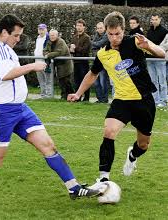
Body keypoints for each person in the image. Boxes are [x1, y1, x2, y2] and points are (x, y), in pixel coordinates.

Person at [0, 14, 103, 202]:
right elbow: (6, 73)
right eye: (16, 35)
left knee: (48, 145)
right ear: (3, 32)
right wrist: (33, 66)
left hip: (20, 108)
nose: (18, 40)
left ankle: (73, 188)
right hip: (1, 110)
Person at [68, 11, 165, 183]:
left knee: (143, 145)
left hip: (143, 101)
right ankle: (103, 179)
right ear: (106, 31)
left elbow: (161, 53)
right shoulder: (102, 54)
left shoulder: (136, 41)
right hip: (121, 100)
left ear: (123, 30)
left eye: (118, 34)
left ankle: (132, 155)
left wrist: (148, 46)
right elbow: (92, 74)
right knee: (109, 131)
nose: (114, 38)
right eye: (110, 34)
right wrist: (78, 93)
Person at [44, 29, 74, 100]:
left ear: (57, 35)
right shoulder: (49, 42)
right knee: (61, 81)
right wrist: (47, 53)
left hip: (66, 65)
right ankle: (64, 96)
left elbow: (59, 53)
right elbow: (45, 50)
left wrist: (48, 55)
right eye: (51, 35)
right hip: (59, 65)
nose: (52, 37)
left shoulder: (61, 42)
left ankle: (72, 96)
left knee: (67, 82)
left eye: (53, 35)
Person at [146, 14, 168, 107]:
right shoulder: (149, 31)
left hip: (160, 59)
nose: (154, 21)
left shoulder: (164, 31)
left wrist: (155, 49)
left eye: (156, 19)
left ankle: (163, 100)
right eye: (152, 19)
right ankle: (155, 100)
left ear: (160, 20)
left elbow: (165, 45)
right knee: (153, 80)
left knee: (162, 81)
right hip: (150, 59)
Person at [70, 19, 91, 101]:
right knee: (77, 80)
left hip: (83, 62)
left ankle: (86, 98)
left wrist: (75, 48)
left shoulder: (87, 38)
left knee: (85, 79)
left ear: (84, 27)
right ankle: (77, 97)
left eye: (80, 26)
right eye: (77, 26)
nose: (78, 27)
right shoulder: (74, 37)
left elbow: (85, 50)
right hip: (76, 61)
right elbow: (72, 47)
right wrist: (71, 48)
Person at [91, 22, 109, 103]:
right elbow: (94, 45)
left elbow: (100, 43)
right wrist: (96, 45)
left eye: (101, 28)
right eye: (98, 28)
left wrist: (95, 44)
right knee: (96, 81)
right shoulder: (96, 35)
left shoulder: (107, 35)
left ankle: (104, 99)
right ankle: (99, 98)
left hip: (103, 62)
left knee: (103, 81)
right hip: (96, 60)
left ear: (104, 28)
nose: (99, 30)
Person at [34, 23, 51, 98]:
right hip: (37, 61)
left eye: (42, 29)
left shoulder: (48, 38)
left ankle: (49, 95)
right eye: (40, 29)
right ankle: (43, 94)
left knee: (47, 78)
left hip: (45, 62)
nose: (41, 31)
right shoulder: (37, 38)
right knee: (40, 79)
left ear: (46, 30)